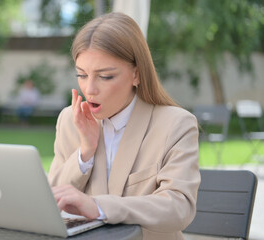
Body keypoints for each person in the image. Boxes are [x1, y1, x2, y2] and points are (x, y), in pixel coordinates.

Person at [48, 12, 200, 240]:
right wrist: (84, 153)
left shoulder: (176, 124)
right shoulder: (71, 120)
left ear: (136, 74)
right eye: (81, 74)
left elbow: (179, 208)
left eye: (105, 76)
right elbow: (51, 200)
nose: (89, 89)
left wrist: (98, 206)